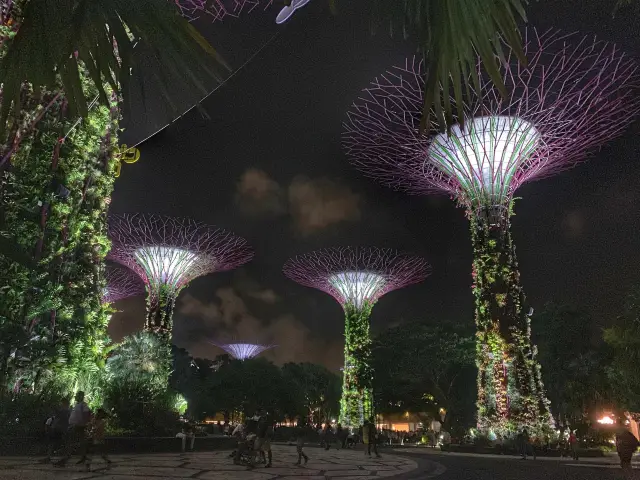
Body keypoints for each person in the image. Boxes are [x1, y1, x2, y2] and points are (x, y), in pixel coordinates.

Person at [55, 391, 92, 467]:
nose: (75, 396)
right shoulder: (77, 405)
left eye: (77, 395)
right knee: (77, 442)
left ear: (81, 396)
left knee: (70, 442)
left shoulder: (83, 405)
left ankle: (65, 459)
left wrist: (84, 424)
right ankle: (82, 457)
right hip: (75, 426)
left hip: (77, 426)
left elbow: (87, 414)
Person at [42, 398, 70, 463]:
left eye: (62, 403)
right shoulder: (65, 410)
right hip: (58, 429)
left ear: (64, 403)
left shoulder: (66, 411)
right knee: (53, 443)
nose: (61, 404)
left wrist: (54, 407)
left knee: (62, 443)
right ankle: (49, 457)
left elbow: (61, 416)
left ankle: (64, 458)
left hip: (61, 429)